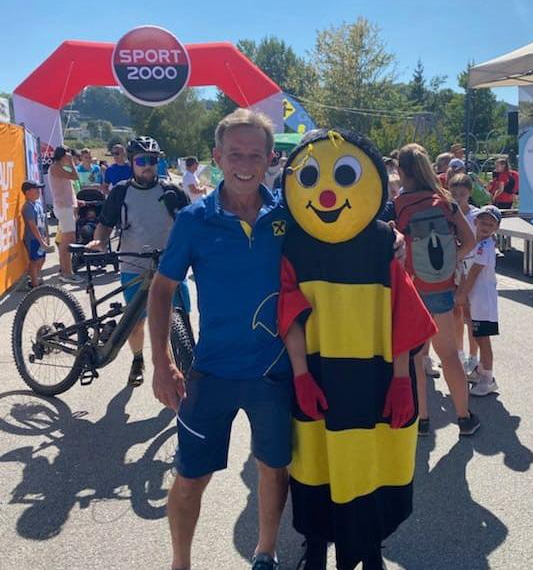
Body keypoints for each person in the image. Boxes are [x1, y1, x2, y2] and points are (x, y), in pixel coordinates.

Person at [279, 129, 437, 570]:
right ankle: (315, 543)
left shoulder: (382, 241)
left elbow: (402, 313)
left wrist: (402, 380)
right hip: (318, 373)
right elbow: (290, 314)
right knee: (315, 461)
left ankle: (369, 548)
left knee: (370, 460)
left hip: (375, 375)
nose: (328, 194)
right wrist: (301, 375)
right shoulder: (294, 242)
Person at [148, 109, 292, 570]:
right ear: (217, 157)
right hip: (211, 372)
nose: (244, 164)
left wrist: (388, 238)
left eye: (255, 155)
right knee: (191, 477)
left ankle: (265, 552)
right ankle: (180, 563)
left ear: (270, 158)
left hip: (274, 371)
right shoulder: (194, 220)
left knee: (274, 468)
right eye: (235, 154)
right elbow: (162, 290)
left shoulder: (288, 215)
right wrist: (161, 363)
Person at [87, 136, 190, 388]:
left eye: (152, 160)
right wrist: (99, 241)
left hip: (170, 267)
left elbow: (191, 224)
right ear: (132, 162)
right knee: (136, 324)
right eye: (142, 161)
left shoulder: (172, 191)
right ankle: (137, 359)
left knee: (180, 320)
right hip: (134, 266)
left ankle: (182, 365)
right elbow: (105, 224)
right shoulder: (120, 192)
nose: (148, 166)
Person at [394, 143, 479, 436]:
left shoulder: (398, 205)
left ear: (401, 171)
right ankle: (464, 418)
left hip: (411, 289)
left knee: (416, 358)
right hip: (441, 288)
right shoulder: (445, 201)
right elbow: (470, 241)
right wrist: (450, 261)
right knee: (449, 355)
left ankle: (422, 420)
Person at [455, 205, 502, 396]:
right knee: (477, 334)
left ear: (496, 228)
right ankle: (481, 370)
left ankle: (488, 378)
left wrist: (461, 294)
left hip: (483, 300)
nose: (485, 227)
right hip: (475, 299)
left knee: (483, 339)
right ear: (475, 222)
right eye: (482, 222)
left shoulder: (485, 246)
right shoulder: (474, 244)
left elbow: (474, 273)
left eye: (490, 224)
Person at [449, 173, 479, 373]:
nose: (458, 198)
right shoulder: (448, 213)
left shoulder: (476, 216)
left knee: (471, 314)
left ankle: (473, 355)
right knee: (455, 311)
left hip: (472, 267)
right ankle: (458, 352)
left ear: (469, 193)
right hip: (455, 269)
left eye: (462, 194)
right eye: (454, 194)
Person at [48, 146, 81, 284]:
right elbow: (75, 176)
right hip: (64, 208)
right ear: (63, 155)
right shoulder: (55, 167)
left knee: (66, 240)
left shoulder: (59, 168)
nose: (70, 157)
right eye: (68, 155)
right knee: (67, 241)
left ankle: (65, 270)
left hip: (66, 207)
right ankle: (67, 272)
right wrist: (72, 163)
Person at [21, 180, 52, 288]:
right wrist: (41, 241)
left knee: (42, 259)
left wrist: (45, 236)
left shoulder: (37, 204)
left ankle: (36, 278)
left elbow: (42, 222)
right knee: (34, 261)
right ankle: (34, 284)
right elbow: (32, 226)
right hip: (33, 239)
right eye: (36, 189)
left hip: (40, 238)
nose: (39, 192)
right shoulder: (27, 207)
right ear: (27, 192)